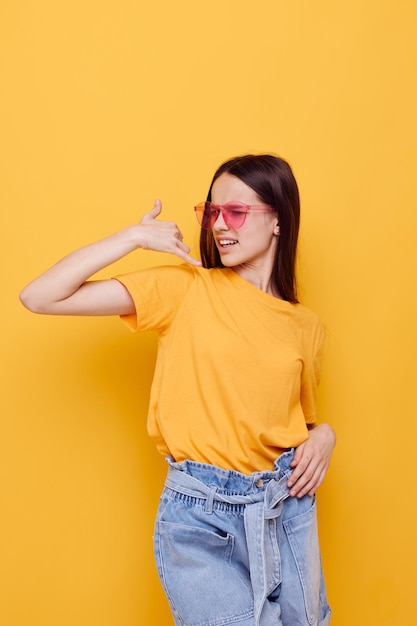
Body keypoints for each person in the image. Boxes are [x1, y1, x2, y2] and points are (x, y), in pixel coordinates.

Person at [20, 154, 336, 626]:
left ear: (277, 219)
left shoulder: (306, 327)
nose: (219, 226)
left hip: (284, 507)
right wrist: (133, 238)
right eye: (211, 212)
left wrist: (325, 434)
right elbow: (40, 296)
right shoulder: (187, 289)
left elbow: (297, 422)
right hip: (200, 516)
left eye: (236, 212)